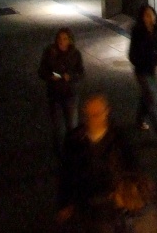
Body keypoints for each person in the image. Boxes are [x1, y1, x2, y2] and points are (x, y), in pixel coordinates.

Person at [57, 95, 136, 232]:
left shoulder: (120, 137)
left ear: (106, 112)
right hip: (85, 198)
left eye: (97, 114)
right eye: (89, 115)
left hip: (112, 197)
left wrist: (127, 194)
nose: (93, 119)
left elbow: (132, 165)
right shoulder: (74, 138)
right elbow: (66, 172)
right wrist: (65, 202)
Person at [38, 27, 85, 155]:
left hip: (70, 95)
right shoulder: (50, 51)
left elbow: (81, 73)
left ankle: (73, 153)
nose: (61, 41)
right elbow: (41, 71)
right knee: (59, 129)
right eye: (59, 38)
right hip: (55, 95)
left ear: (70, 40)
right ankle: (59, 153)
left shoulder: (75, 54)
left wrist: (70, 76)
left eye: (65, 39)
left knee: (72, 127)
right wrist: (50, 76)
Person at [128, 5, 157, 148]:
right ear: (142, 17)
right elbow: (132, 54)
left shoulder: (156, 29)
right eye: (146, 15)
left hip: (151, 69)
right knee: (153, 100)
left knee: (146, 97)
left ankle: (139, 120)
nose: (149, 17)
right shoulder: (137, 31)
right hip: (141, 71)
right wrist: (140, 62)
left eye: (151, 14)